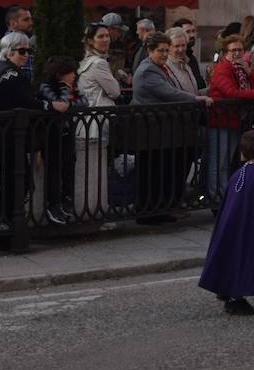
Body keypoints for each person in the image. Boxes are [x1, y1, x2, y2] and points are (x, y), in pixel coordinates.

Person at [199, 129, 254, 316]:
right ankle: (237, 297)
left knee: (232, 257)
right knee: (245, 260)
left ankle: (227, 289)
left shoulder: (238, 173)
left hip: (232, 226)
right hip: (250, 229)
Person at [132, 31, 211, 224]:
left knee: (159, 171)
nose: (165, 54)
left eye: (166, 50)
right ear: (150, 50)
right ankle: (149, 213)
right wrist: (195, 99)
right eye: (161, 50)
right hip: (150, 129)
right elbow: (169, 93)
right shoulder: (148, 70)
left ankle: (158, 209)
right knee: (151, 172)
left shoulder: (158, 68)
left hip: (161, 129)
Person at [0, 31, 44, 249]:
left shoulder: (4, 70)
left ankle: (5, 227)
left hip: (6, 135)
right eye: (22, 51)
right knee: (15, 180)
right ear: (9, 53)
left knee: (14, 179)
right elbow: (26, 101)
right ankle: (5, 227)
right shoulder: (9, 73)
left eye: (28, 51)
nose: (26, 55)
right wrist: (49, 106)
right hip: (7, 136)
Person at [207, 34, 254, 200]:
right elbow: (230, 92)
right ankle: (214, 197)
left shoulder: (242, 68)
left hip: (234, 121)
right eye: (233, 50)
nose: (237, 53)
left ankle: (224, 195)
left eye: (240, 50)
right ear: (226, 52)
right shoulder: (223, 69)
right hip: (220, 121)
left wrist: (249, 72)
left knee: (227, 162)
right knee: (218, 162)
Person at [75, 23, 122, 217]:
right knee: (97, 170)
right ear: (90, 41)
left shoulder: (85, 61)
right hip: (98, 121)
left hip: (86, 121)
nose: (105, 40)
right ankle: (95, 211)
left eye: (107, 36)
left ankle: (91, 209)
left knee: (90, 170)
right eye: (100, 36)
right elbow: (115, 91)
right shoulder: (98, 63)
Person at [38, 55, 83, 226]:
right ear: (60, 74)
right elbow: (62, 104)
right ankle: (53, 204)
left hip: (67, 133)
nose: (74, 75)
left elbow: (83, 101)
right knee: (54, 169)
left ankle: (66, 199)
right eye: (71, 72)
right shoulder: (46, 87)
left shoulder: (72, 87)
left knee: (69, 164)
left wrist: (69, 98)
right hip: (52, 134)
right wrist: (65, 90)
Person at [0, 6, 33, 81]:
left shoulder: (26, 43)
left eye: (31, 19)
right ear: (13, 24)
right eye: (26, 20)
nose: (31, 23)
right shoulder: (2, 45)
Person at [171, 17, 208, 90]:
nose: (192, 35)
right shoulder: (174, 59)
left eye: (193, 31)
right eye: (188, 32)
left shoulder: (191, 58)